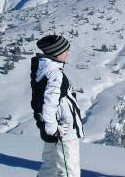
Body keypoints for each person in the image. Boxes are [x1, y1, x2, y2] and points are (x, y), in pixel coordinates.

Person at [31, 34, 84, 177]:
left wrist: (48, 126)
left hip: (54, 128)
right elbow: (49, 102)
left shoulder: (43, 69)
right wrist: (53, 128)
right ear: (57, 53)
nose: (67, 53)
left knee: (50, 169)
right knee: (68, 172)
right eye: (65, 50)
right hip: (63, 132)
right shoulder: (54, 73)